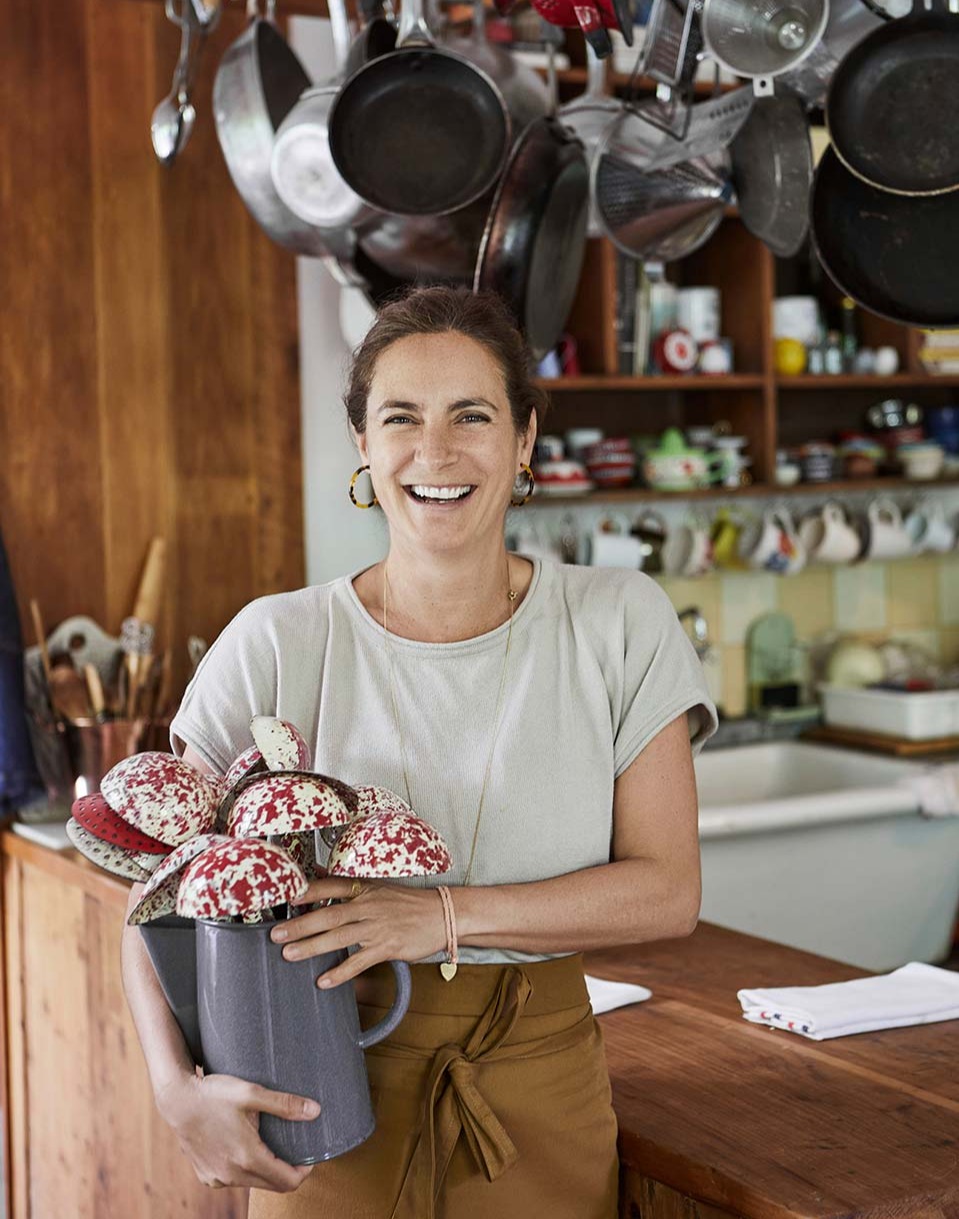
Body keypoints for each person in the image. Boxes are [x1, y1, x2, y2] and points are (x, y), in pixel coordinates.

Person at [120, 284, 717, 1218]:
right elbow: (157, 893)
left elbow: (666, 890)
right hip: (307, 1074)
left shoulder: (617, 621)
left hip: (537, 1091)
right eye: (400, 417)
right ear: (363, 442)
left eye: (471, 415)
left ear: (523, 440)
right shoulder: (274, 640)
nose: (434, 452)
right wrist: (174, 1085)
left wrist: (434, 916)